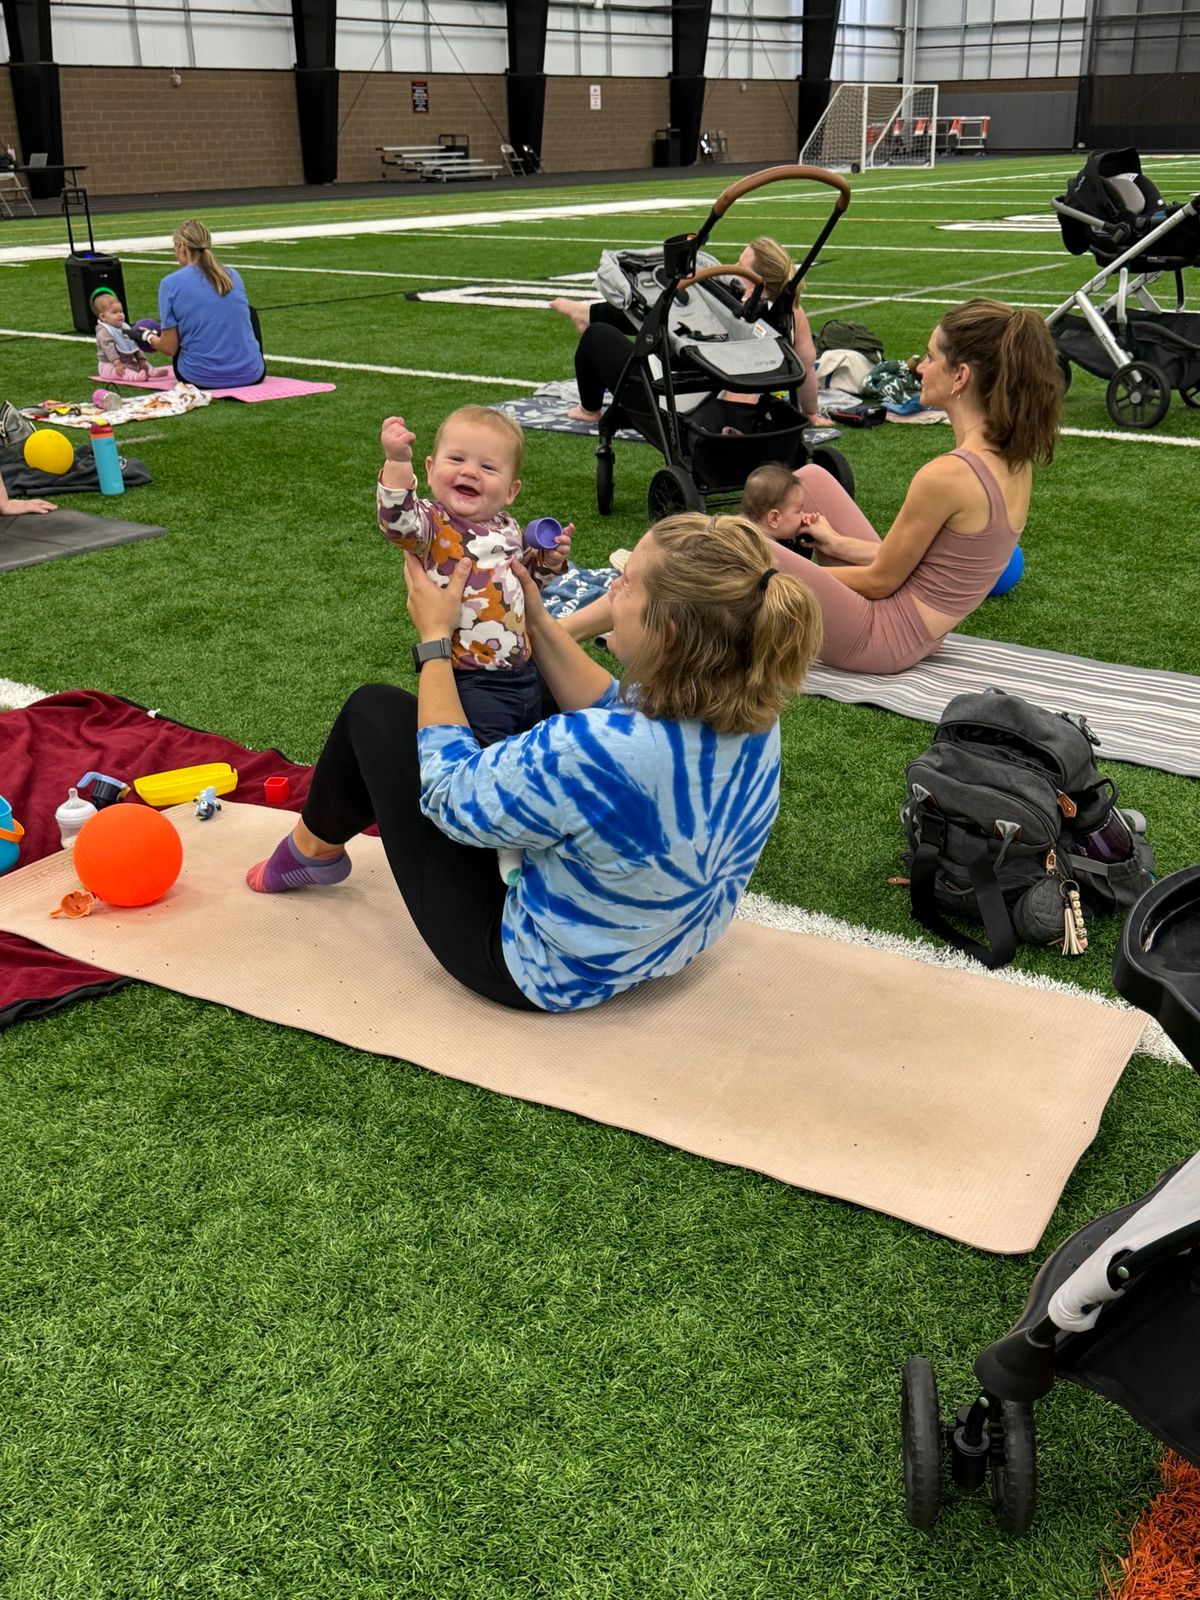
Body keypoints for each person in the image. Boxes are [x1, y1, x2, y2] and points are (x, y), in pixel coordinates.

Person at [246, 513, 823, 1014]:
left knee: (375, 712)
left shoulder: (593, 748)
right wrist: (538, 620)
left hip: (541, 973)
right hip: (674, 942)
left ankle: (312, 853)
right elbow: (615, 708)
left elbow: (446, 794)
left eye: (625, 583)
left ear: (666, 634)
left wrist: (434, 643)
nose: (610, 586)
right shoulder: (751, 704)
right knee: (534, 696)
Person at [767, 298, 1062, 674]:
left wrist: (781, 578)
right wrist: (836, 543)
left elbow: (879, 582)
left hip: (878, 639)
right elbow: (912, 565)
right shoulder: (1014, 457)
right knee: (811, 480)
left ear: (961, 376)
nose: (920, 368)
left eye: (930, 357)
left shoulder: (948, 475)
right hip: (915, 620)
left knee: (740, 548)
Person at [377, 405, 571, 746]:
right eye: (456, 460)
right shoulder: (433, 523)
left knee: (526, 754)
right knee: (485, 761)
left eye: (487, 466)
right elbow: (398, 523)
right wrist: (396, 463)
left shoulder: (508, 527)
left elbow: (526, 585)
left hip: (525, 673)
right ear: (431, 468)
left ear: (511, 491)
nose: (470, 472)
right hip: (472, 680)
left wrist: (547, 561)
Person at [554, 236, 821, 427]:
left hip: (679, 409)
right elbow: (806, 369)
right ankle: (586, 313)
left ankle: (589, 409)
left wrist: (731, 428)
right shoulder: (793, 317)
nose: (732, 270)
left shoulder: (734, 316)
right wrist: (810, 414)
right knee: (657, 315)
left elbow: (740, 393)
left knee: (599, 336)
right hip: (709, 399)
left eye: (740, 266)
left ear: (753, 285)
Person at [142, 219, 265, 389]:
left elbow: (169, 348)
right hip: (250, 374)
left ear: (182, 247)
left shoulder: (170, 283)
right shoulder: (233, 275)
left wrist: (148, 337)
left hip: (199, 377)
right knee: (249, 313)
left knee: (178, 331)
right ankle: (244, 361)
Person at [92, 289, 153, 383]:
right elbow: (109, 348)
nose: (120, 315)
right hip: (109, 364)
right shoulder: (104, 331)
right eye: (114, 312)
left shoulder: (124, 326)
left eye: (121, 311)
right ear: (103, 317)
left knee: (139, 365)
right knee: (120, 372)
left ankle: (149, 370)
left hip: (128, 361)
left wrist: (141, 359)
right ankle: (134, 377)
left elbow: (135, 345)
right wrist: (116, 363)